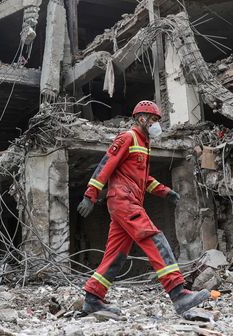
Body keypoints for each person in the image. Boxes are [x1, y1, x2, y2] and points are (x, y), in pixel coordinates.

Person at [77, 100, 211, 316]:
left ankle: (93, 298)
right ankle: (178, 294)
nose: (156, 124)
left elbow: (143, 178)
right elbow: (105, 165)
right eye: (154, 120)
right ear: (142, 119)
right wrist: (90, 195)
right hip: (124, 201)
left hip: (128, 201)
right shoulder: (128, 138)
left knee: (116, 255)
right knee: (155, 239)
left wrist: (165, 191)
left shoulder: (143, 143)